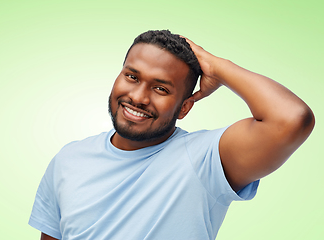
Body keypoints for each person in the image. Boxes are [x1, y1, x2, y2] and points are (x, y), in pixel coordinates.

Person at [28, 30, 315, 240]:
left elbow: (292, 119)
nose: (138, 97)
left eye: (161, 88)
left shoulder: (206, 159)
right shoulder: (69, 159)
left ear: (185, 107)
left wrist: (217, 67)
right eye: (132, 76)